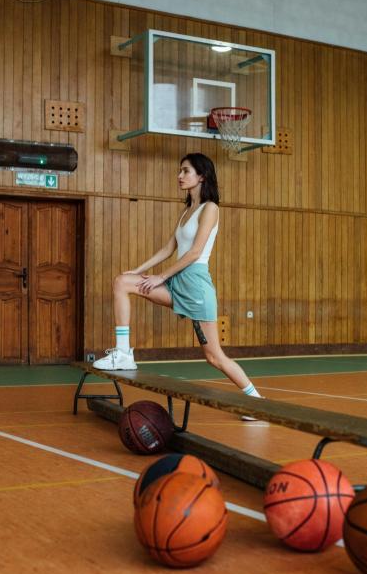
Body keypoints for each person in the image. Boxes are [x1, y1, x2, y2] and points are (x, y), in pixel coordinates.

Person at [93, 152, 262, 413]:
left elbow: (194, 253)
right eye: (180, 171)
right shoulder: (186, 211)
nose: (179, 176)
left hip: (195, 286)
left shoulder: (211, 209)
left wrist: (161, 276)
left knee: (214, 357)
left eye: (185, 171)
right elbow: (168, 248)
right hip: (176, 281)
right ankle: (124, 353)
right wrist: (137, 270)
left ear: (201, 176)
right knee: (122, 282)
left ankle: (256, 403)